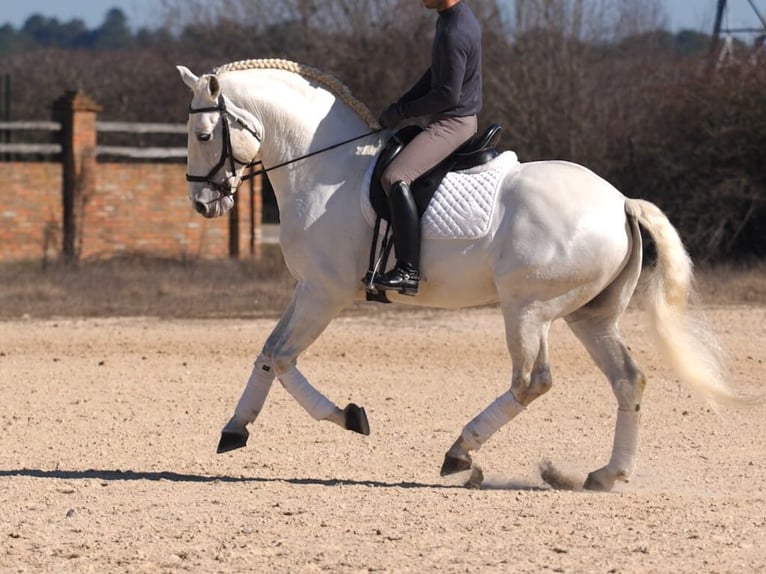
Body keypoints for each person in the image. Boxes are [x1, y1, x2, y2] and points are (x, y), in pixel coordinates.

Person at [373, 0, 482, 296]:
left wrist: (405, 110)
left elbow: (447, 95)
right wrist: (400, 105)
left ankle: (408, 269)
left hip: (453, 122)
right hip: (451, 117)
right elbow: (435, 73)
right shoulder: (448, 17)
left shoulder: (454, 30)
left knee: (394, 176)